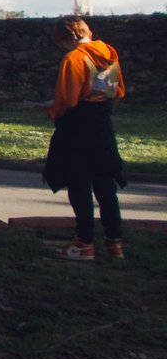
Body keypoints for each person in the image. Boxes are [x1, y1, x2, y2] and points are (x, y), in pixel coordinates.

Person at [42, 16, 127, 261]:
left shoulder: (74, 58)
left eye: (61, 42)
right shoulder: (110, 54)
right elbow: (118, 90)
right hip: (103, 124)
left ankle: (84, 243)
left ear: (67, 38)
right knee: (105, 184)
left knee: (79, 183)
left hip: (79, 127)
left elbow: (68, 100)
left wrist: (52, 110)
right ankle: (114, 243)